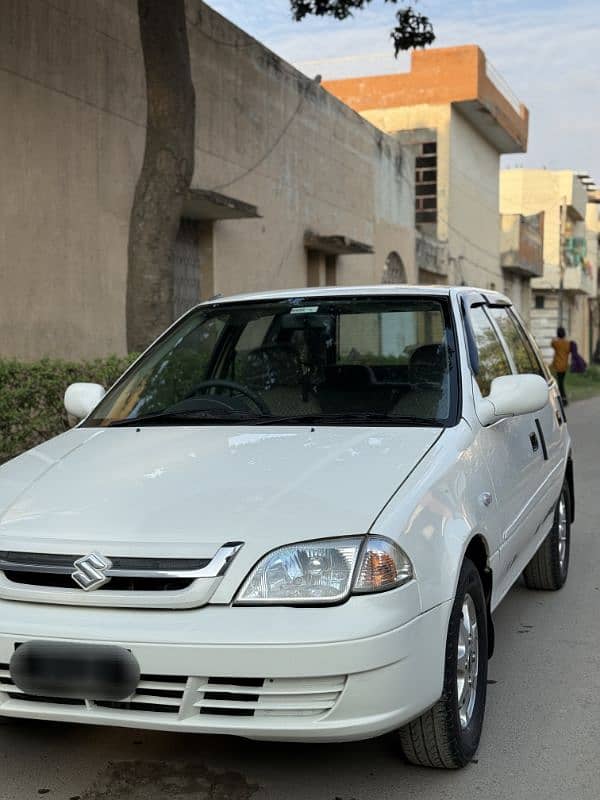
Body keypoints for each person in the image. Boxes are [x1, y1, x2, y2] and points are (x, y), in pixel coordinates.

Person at [551, 326, 571, 405]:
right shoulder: (567, 343)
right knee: (561, 382)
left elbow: (552, 343)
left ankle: (563, 399)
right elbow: (568, 351)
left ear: (558, 334)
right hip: (565, 366)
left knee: (560, 383)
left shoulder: (556, 343)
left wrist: (555, 338)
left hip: (558, 366)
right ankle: (563, 399)